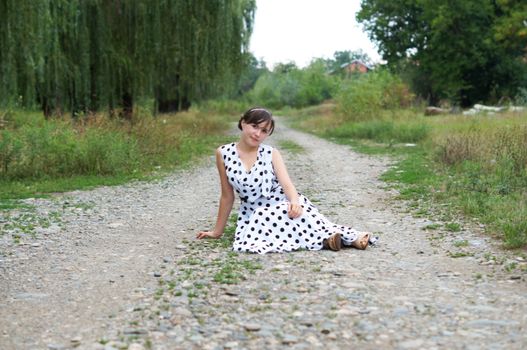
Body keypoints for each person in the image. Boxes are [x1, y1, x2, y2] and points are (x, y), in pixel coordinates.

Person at [196, 107, 372, 254]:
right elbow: (227, 196)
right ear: (243, 123)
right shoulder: (223, 153)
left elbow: (287, 184)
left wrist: (294, 202)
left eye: (264, 131)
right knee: (263, 217)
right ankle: (326, 242)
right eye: (254, 126)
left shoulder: (271, 153)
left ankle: (348, 238)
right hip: (253, 212)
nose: (257, 134)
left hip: (280, 201)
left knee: (300, 214)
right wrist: (217, 232)